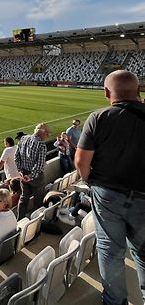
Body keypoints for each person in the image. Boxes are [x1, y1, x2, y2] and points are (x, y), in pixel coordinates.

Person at [75, 70, 145, 305]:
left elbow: (80, 161)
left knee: (110, 252)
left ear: (106, 92)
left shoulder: (98, 117)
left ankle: (115, 302)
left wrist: (89, 181)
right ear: (139, 90)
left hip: (107, 195)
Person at [15, 123, 50, 219]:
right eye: (47, 133)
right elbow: (39, 165)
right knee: (38, 200)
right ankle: (36, 222)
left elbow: (16, 157)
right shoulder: (42, 145)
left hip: (24, 175)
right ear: (42, 132)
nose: (48, 135)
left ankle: (20, 220)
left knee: (23, 198)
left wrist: (21, 171)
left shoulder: (23, 138)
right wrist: (30, 176)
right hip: (36, 177)